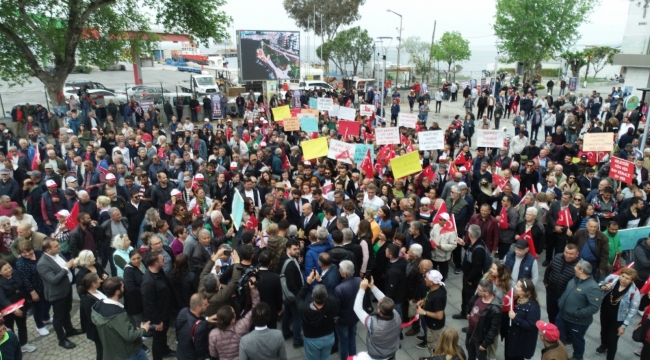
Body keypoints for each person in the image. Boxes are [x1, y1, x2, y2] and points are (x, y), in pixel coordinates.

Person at [36, 239, 83, 349]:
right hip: (56, 293)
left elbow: (64, 268)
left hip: (66, 289)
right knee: (58, 317)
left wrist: (71, 266)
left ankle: (69, 330)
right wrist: (66, 267)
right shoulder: (43, 264)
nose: (59, 247)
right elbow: (53, 279)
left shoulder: (58, 254)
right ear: (48, 250)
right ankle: (61, 339)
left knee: (67, 311)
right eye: (56, 246)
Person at [91, 277, 150, 360]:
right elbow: (129, 336)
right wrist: (144, 329)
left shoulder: (99, 306)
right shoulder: (117, 314)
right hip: (129, 353)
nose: (124, 288)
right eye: (122, 287)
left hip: (115, 351)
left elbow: (115, 328)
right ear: (117, 292)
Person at [556, 260, 601, 360]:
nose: (574, 268)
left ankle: (577, 356)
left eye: (576, 267)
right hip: (562, 315)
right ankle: (559, 353)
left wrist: (577, 313)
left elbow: (594, 307)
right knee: (559, 335)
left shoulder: (593, 288)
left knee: (577, 340)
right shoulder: (575, 279)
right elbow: (566, 291)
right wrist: (561, 301)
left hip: (577, 321)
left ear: (581, 270)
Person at [208, 280, 259, 360]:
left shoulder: (213, 334)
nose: (235, 314)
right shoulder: (242, 326)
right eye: (234, 313)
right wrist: (253, 290)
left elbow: (213, 354)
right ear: (232, 320)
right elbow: (256, 309)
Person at [596, 268, 641, 360]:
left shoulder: (634, 293)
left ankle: (610, 357)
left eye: (627, 278)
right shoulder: (612, 279)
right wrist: (603, 287)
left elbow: (633, 310)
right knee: (604, 331)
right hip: (605, 312)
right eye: (622, 276)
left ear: (632, 280)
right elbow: (599, 284)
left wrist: (624, 326)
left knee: (613, 339)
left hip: (618, 318)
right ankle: (603, 345)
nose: (623, 279)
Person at [354, 277, 402, 359]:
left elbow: (357, 308)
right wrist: (372, 286)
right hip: (391, 353)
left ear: (379, 310)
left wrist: (362, 289)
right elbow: (384, 300)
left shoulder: (372, 323)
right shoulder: (396, 315)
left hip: (376, 356)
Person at [141, 251, 176, 360]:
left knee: (163, 335)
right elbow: (149, 305)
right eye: (162, 260)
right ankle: (157, 357)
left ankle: (165, 350)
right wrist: (157, 322)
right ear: (156, 263)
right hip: (158, 317)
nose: (164, 261)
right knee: (158, 339)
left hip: (165, 312)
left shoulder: (159, 271)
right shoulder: (148, 282)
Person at [297, 271, 339, 360]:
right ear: (326, 296)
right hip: (329, 337)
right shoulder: (332, 302)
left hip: (312, 340)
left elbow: (299, 297)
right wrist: (320, 280)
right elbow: (329, 293)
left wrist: (308, 283)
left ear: (312, 296)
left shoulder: (305, 309)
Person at [14, 240, 52, 337]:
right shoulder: (20, 263)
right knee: (38, 307)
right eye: (23, 252)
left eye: (29, 251)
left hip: (46, 284)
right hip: (34, 288)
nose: (27, 254)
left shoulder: (39, 253)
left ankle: (46, 317)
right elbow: (25, 280)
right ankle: (40, 325)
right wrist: (32, 292)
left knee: (48, 302)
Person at [0, 260, 36, 353]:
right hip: (7, 309)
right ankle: (13, 346)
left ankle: (24, 344)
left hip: (20, 304)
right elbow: (3, 299)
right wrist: (13, 309)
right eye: (5, 269)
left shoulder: (16, 273)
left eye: (9, 267)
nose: (9, 270)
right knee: (9, 328)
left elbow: (22, 286)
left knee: (22, 326)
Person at [453, 224, 487, 320]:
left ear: (470, 234)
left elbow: (477, 267)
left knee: (470, 298)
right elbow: (470, 251)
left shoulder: (479, 249)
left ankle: (470, 317)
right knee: (465, 295)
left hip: (472, 279)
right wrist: (464, 244)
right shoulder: (474, 243)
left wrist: (469, 279)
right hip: (468, 276)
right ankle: (464, 313)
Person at [465, 279, 502, 360]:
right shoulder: (479, 296)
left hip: (480, 338)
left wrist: (484, 344)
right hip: (470, 332)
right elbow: (470, 303)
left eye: (480, 290)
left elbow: (493, 330)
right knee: (470, 353)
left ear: (487, 293)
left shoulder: (495, 309)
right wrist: (468, 313)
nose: (477, 291)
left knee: (481, 357)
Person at [543, 243, 581, 325]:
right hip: (551, 292)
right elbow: (549, 269)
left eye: (571, 254)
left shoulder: (580, 266)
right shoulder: (557, 257)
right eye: (566, 252)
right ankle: (552, 329)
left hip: (564, 296)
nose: (567, 255)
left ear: (577, 254)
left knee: (561, 317)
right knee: (551, 312)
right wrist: (545, 282)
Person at [504, 278, 541, 360]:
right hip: (512, 336)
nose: (515, 287)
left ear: (524, 291)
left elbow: (531, 325)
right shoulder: (516, 299)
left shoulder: (533, 307)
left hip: (520, 341)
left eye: (518, 286)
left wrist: (515, 318)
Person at [333, 260, 361, 360]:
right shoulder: (359, 281)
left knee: (343, 342)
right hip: (354, 316)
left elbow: (337, 307)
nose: (339, 271)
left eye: (340, 270)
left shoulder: (339, 289)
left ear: (344, 273)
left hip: (343, 320)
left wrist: (335, 318)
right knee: (352, 339)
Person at [280, 239, 304, 348]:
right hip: (293, 295)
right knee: (297, 317)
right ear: (288, 249)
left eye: (298, 249)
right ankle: (297, 340)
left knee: (287, 312)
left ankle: (285, 332)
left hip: (287, 295)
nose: (297, 251)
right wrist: (298, 295)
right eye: (295, 249)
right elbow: (291, 284)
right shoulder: (289, 264)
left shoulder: (285, 258)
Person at [416, 270, 447, 353]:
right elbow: (430, 297)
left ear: (432, 282)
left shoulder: (438, 297)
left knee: (433, 347)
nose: (425, 279)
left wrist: (424, 312)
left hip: (434, 326)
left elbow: (439, 316)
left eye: (426, 278)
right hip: (430, 323)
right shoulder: (435, 288)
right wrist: (424, 300)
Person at [77, 272, 105, 360]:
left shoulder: (96, 291)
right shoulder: (87, 299)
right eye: (98, 279)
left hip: (102, 327)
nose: (101, 280)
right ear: (93, 284)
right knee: (101, 350)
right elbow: (92, 318)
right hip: (98, 330)